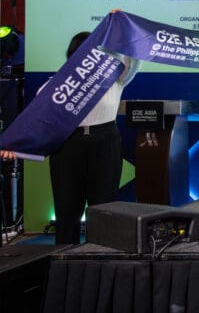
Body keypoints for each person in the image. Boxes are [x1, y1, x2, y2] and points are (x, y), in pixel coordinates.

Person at [0, 23, 139, 245]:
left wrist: (119, 27)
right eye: (79, 54)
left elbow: (134, 56)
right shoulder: (51, 88)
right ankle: (65, 258)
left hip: (105, 142)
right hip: (67, 147)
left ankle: (101, 256)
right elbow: (34, 124)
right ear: (71, 57)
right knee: (66, 208)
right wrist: (12, 146)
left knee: (104, 206)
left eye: (91, 53)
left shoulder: (113, 80)